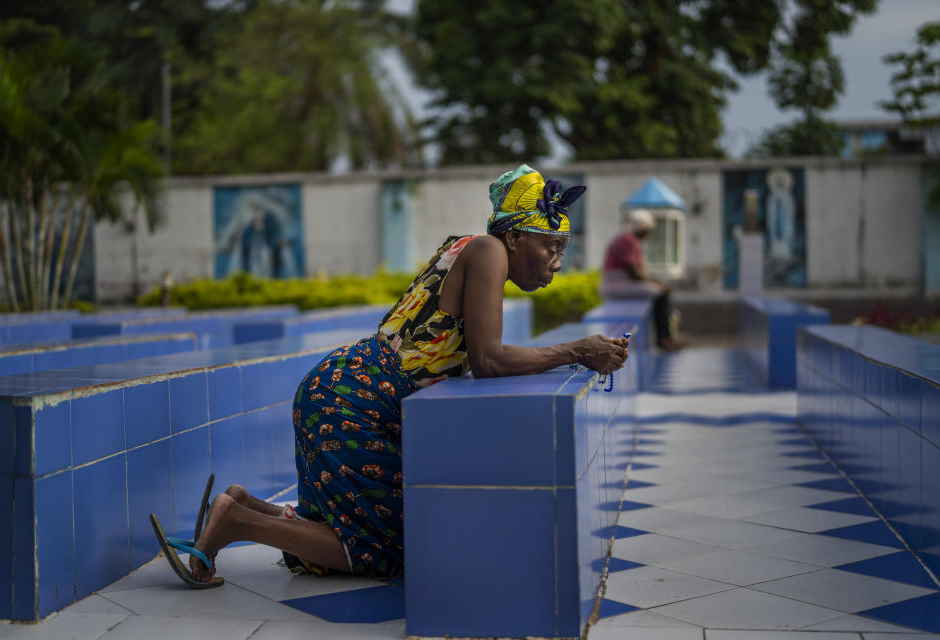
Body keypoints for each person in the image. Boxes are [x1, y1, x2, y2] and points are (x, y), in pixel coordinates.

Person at [151, 164, 630, 587]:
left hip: (343, 388)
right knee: (385, 551)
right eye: (550, 245)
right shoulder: (487, 252)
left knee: (358, 524)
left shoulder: (471, 249)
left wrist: (573, 353)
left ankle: (245, 504)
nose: (557, 262)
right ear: (513, 237)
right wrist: (575, 350)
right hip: (355, 402)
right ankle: (237, 522)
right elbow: (490, 361)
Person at [600, 208, 683, 351]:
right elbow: (634, 273)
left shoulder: (627, 239)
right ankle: (664, 339)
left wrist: (654, 283)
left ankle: (666, 337)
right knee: (661, 294)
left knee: (660, 290)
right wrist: (657, 284)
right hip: (618, 285)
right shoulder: (628, 240)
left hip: (621, 283)